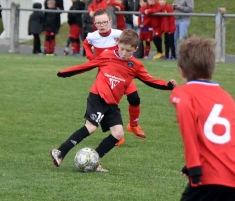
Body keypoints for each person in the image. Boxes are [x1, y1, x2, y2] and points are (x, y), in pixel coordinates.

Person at [49, 29, 177, 171]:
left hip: (112, 103)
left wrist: (168, 86)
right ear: (117, 44)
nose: (123, 53)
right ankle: (60, 151)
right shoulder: (107, 55)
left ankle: (93, 160)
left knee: (118, 133)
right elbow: (87, 66)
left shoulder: (136, 66)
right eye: (121, 49)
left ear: (135, 49)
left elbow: (150, 80)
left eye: (128, 50)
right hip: (98, 96)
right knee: (91, 127)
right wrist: (66, 73)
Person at [170, 36, 235, 201]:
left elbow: (188, 126)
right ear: (212, 69)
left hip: (208, 177)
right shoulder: (226, 97)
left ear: (181, 70)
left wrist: (193, 165)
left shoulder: (183, 93)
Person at [83, 9, 145, 146]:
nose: (102, 25)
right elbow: (86, 43)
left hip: (123, 74)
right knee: (109, 104)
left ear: (110, 21)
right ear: (95, 23)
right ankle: (116, 134)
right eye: (98, 23)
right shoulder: (92, 36)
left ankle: (133, 125)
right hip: (106, 76)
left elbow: (129, 45)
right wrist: (91, 57)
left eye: (104, 22)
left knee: (134, 98)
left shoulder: (118, 34)